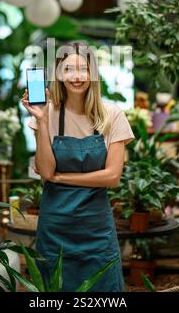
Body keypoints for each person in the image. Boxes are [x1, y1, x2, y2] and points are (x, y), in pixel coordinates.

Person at [21, 41, 135, 292]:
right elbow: (47, 171)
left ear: (93, 74)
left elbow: (112, 176)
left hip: (96, 230)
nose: (76, 76)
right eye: (68, 69)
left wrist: (62, 179)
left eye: (83, 69)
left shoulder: (111, 115)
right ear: (59, 75)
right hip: (55, 228)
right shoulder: (46, 114)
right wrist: (41, 121)